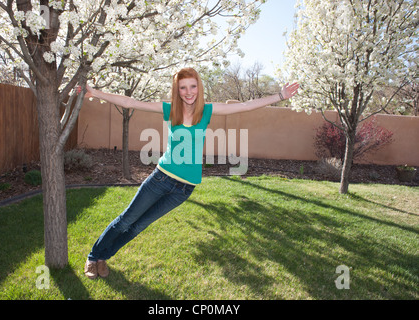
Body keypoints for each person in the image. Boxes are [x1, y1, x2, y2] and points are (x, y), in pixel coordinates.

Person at [79, 67, 299, 279]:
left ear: (199, 87)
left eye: (192, 86)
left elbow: (245, 106)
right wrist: (95, 92)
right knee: (127, 220)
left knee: (139, 226)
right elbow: (130, 102)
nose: (188, 92)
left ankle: (103, 257)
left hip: (184, 189)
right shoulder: (170, 109)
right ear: (177, 90)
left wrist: (279, 95)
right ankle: (93, 256)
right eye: (183, 88)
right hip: (161, 178)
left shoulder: (207, 111)